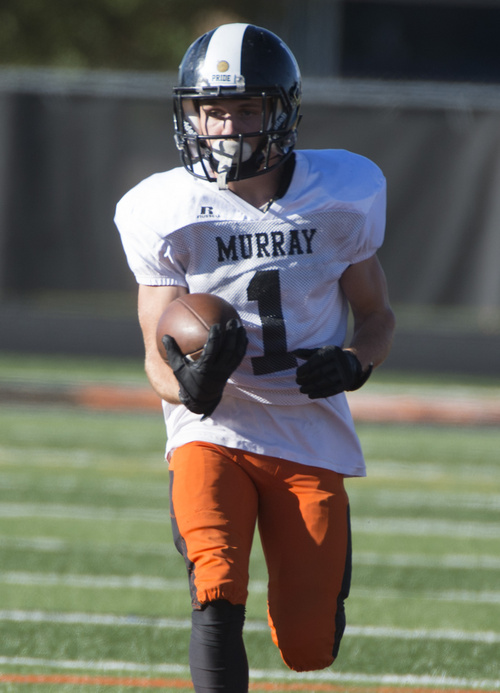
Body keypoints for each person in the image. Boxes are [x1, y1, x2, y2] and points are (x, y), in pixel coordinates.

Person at [114, 22, 396, 693]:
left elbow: (379, 314)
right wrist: (188, 386)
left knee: (308, 647)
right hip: (213, 426)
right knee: (215, 588)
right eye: (212, 110)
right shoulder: (164, 208)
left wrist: (355, 361)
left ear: (280, 110)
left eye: (245, 108)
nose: (228, 125)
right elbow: (155, 344)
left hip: (306, 424)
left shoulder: (341, 192)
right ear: (190, 115)